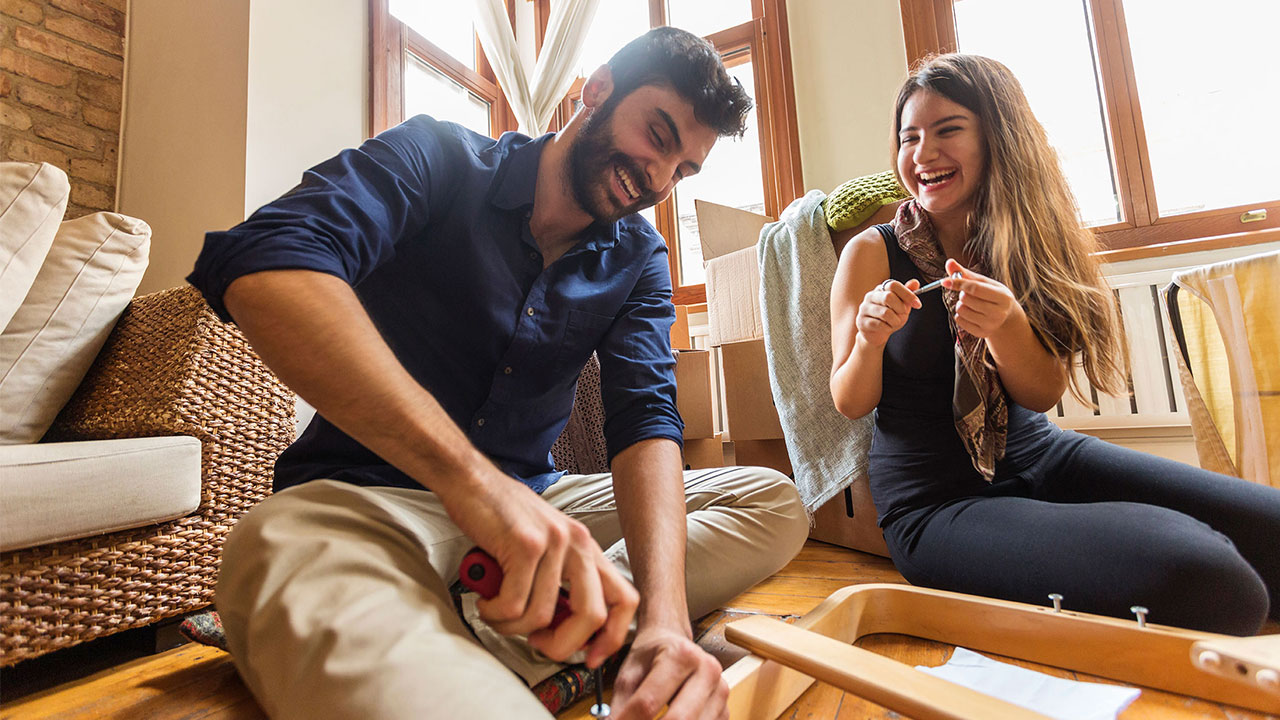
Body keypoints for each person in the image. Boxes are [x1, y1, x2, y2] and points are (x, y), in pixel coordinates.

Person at [188, 27, 808, 720]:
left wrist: (662, 621)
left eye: (683, 170)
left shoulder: (639, 255)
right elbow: (267, 257)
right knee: (266, 549)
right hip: (370, 502)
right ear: (596, 90)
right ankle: (528, 631)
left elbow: (646, 417)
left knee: (773, 502)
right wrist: (476, 489)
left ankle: (544, 621)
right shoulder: (439, 156)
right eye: (658, 136)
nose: (659, 179)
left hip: (539, 505)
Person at [829, 53, 1280, 636]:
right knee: (1217, 579)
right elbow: (849, 400)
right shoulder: (870, 250)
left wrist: (1008, 325)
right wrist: (869, 341)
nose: (923, 154)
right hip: (935, 504)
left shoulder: (1027, 242)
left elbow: (1039, 395)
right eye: (909, 137)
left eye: (948, 131)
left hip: (1044, 457)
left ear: (998, 139)